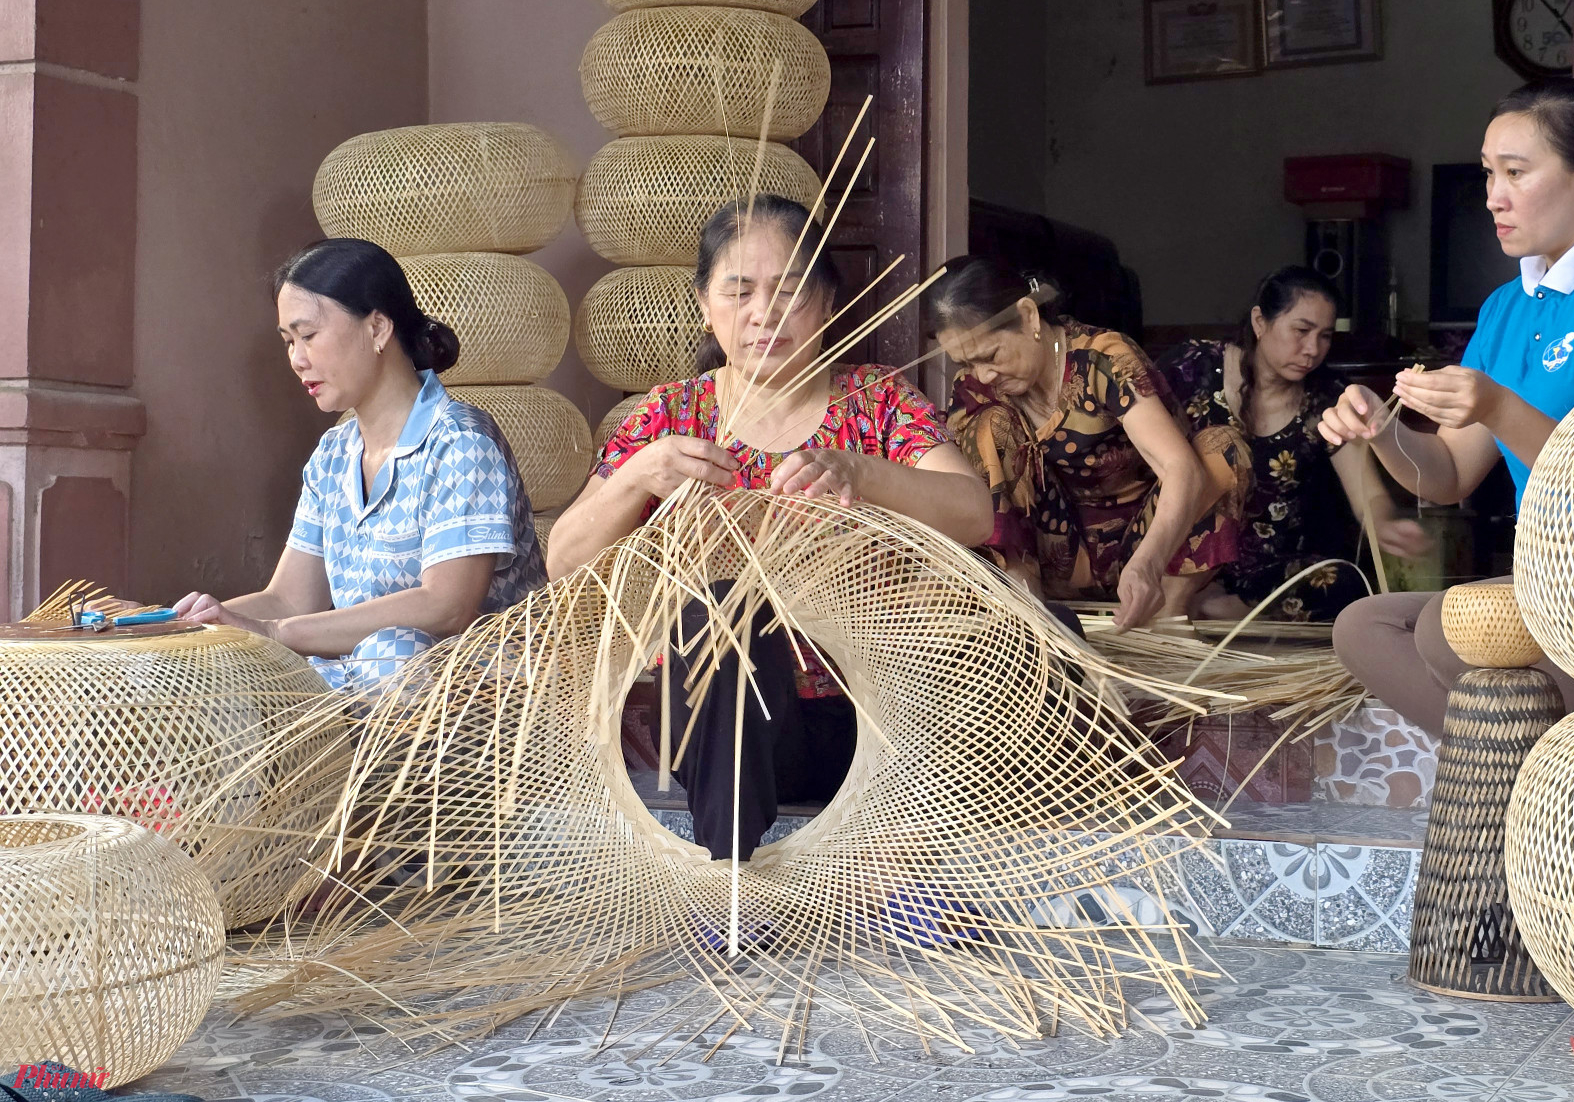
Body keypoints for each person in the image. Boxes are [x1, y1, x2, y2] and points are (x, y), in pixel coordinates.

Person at [547, 196, 992, 860]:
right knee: (720, 608)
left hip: (871, 719)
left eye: (790, 291)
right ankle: (730, 882)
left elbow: (974, 514)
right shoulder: (673, 416)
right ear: (704, 303)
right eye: (739, 291)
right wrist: (641, 474)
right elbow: (564, 560)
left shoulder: (876, 404)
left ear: (827, 303)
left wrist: (860, 473)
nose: (765, 313)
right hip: (723, 731)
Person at [1320, 78, 1574, 737]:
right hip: (1551, 586)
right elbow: (1445, 475)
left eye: (1516, 173)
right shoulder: (1505, 308)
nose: (1494, 196)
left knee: (1443, 636)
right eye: (1489, 172)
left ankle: (1538, 770)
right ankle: (1539, 768)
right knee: (1365, 626)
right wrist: (1380, 430)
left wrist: (1494, 404)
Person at [172, 239, 546, 693]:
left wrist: (276, 633)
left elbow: (447, 605)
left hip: (477, 711)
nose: (297, 359)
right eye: (289, 342)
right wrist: (191, 628)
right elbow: (289, 597)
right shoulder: (333, 454)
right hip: (361, 692)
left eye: (308, 336)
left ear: (378, 328)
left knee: (393, 652)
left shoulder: (462, 443)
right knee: (219, 665)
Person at [931, 257, 1249, 633]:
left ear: (1029, 316)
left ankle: (1168, 623)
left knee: (1223, 448)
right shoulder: (976, 389)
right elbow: (977, 504)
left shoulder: (1103, 359)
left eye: (991, 355)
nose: (982, 374)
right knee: (987, 424)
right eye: (965, 362)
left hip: (1148, 549)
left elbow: (1181, 468)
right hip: (1055, 561)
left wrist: (1147, 564)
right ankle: (1034, 627)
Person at [1157, 266, 1431, 622]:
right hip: (1186, 554)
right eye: (1301, 331)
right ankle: (1193, 601)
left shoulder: (1329, 399)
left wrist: (1385, 525)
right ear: (1260, 321)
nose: (1312, 349)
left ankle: (1221, 610)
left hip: (1272, 572)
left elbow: (1368, 495)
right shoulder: (1191, 367)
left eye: (1325, 336)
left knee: (1344, 583)